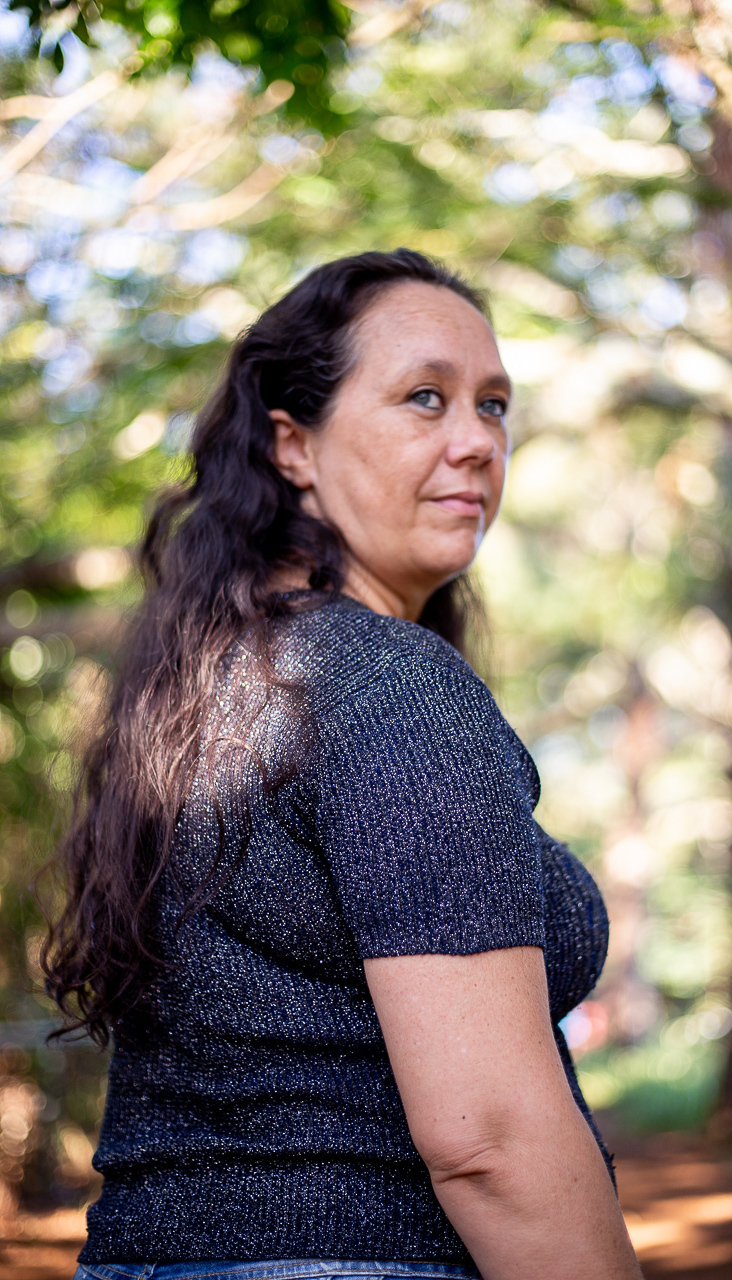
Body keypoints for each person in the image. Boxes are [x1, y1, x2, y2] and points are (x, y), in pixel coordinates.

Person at [45, 249, 642, 1280]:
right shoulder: (382, 684)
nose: (476, 441)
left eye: (493, 404)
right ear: (292, 444)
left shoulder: (202, 691)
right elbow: (489, 1136)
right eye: (425, 397)